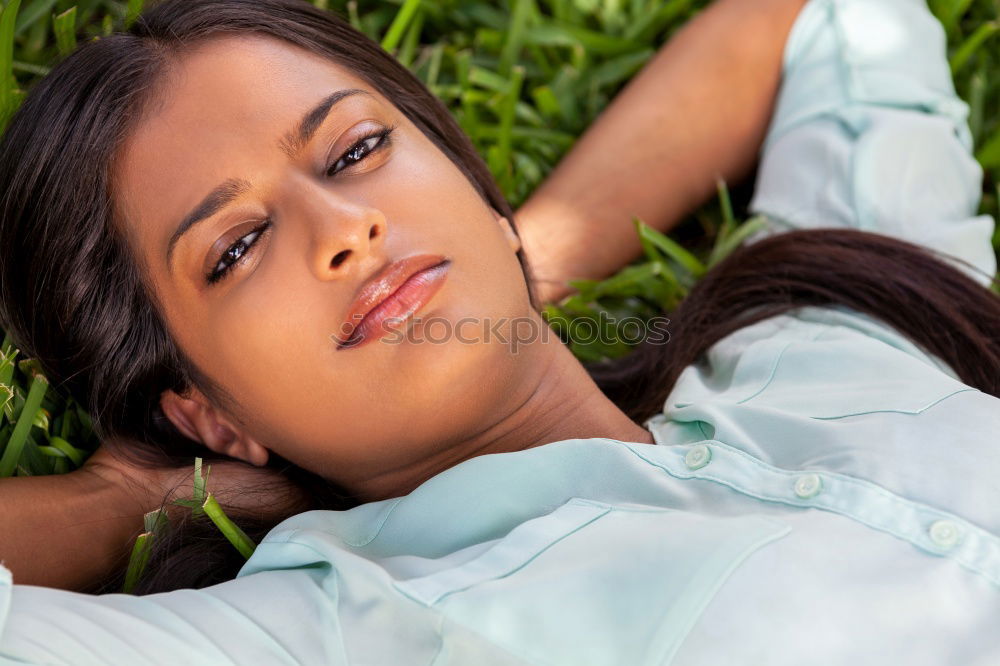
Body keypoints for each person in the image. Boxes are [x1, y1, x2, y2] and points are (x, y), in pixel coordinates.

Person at [0, 0, 998, 662]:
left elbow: (823, 16)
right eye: (237, 246)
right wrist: (132, 494)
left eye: (356, 149)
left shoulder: (828, 334)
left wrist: (523, 255)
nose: (348, 230)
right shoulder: (336, 632)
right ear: (205, 410)